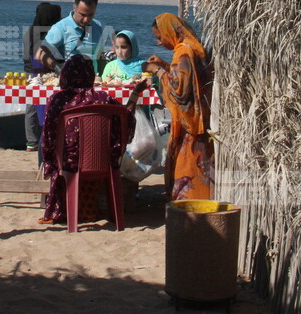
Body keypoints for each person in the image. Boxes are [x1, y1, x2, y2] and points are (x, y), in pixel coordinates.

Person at [39, 54, 147, 224]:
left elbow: (48, 136)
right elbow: (126, 119)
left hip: (68, 162)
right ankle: (92, 209)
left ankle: (66, 210)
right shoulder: (103, 98)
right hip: (102, 161)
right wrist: (135, 94)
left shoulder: (58, 100)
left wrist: (50, 160)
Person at [147, 13, 214, 201]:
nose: (159, 43)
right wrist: (165, 65)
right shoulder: (194, 47)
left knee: (188, 170)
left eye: (160, 37)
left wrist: (158, 72)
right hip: (202, 119)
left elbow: (180, 92)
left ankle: (189, 208)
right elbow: (189, 80)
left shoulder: (183, 52)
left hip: (190, 126)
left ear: (169, 32)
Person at [22, 2, 62, 152]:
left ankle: (32, 141)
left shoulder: (30, 32)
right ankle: (38, 140)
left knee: (32, 107)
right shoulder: (47, 34)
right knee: (40, 106)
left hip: (31, 72)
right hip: (42, 74)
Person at [35, 0, 106, 72]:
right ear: (74, 8)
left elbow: (100, 56)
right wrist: (59, 71)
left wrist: (103, 77)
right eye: (83, 15)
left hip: (93, 81)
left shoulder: (98, 26)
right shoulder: (61, 27)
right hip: (69, 82)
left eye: (91, 15)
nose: (86, 19)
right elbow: (40, 54)